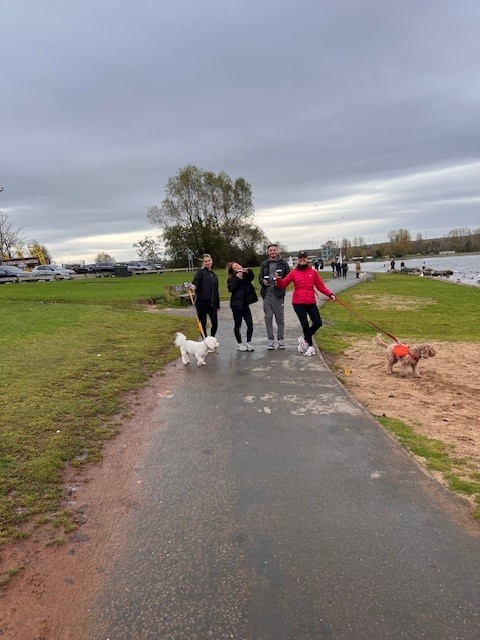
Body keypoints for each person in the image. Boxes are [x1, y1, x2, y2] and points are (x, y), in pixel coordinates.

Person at [275, 251, 335, 357]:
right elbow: (283, 284)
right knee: (305, 324)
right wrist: (278, 279)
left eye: (304, 258)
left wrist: (330, 294)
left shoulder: (313, 272)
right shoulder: (293, 272)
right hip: (298, 303)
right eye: (300, 258)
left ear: (307, 259)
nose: (302, 259)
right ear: (298, 260)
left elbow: (321, 286)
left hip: (311, 301)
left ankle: (304, 340)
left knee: (318, 322)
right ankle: (311, 347)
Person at [259, 244, 290, 349]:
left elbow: (288, 278)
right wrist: (263, 281)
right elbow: (260, 277)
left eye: (274, 250)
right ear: (268, 252)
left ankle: (280, 339)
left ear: (277, 251)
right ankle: (270, 340)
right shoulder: (264, 264)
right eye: (270, 250)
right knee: (268, 318)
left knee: (279, 318)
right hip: (267, 294)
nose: (272, 252)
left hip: (278, 295)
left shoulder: (283, 264)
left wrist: (281, 282)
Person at [227, 261, 258, 351]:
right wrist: (237, 278)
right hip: (236, 305)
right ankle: (239, 344)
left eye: (238, 265)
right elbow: (231, 289)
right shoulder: (232, 279)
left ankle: (249, 342)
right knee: (238, 324)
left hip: (245, 305)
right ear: (233, 271)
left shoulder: (245, 276)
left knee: (250, 324)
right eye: (235, 268)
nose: (238, 268)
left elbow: (251, 276)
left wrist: (247, 271)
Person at [189, 254, 220, 337]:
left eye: (209, 260)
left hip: (212, 304)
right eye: (205, 261)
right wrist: (193, 286)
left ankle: (211, 339)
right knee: (202, 323)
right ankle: (205, 341)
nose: (208, 263)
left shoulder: (214, 275)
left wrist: (218, 305)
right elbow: (196, 283)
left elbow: (216, 291)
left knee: (215, 323)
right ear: (203, 263)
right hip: (201, 303)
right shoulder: (200, 273)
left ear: (212, 261)